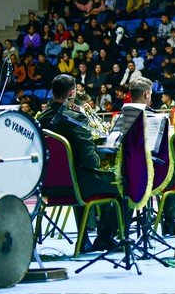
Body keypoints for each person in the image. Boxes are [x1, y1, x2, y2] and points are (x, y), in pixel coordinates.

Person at [38, 74, 118, 253]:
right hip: (77, 186)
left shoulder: (40, 118)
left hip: (48, 186)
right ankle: (105, 237)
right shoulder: (75, 117)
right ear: (72, 92)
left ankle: (84, 240)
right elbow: (90, 160)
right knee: (124, 183)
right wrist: (103, 161)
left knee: (78, 173)